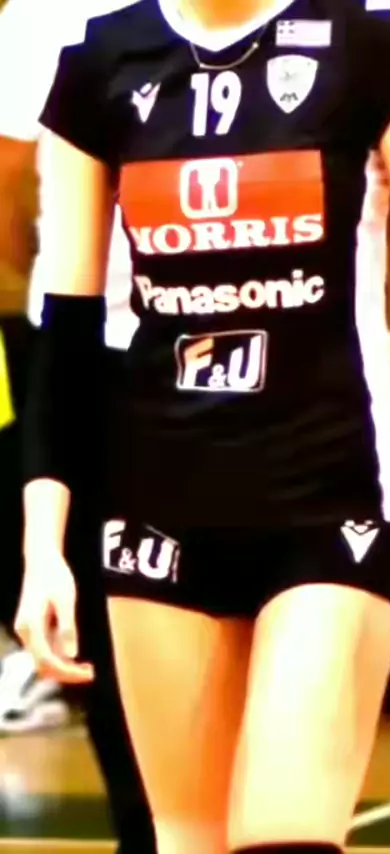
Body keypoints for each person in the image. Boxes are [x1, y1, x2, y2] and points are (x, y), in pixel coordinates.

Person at [15, 0, 390, 852]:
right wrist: (43, 546)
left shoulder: (374, 38)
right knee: (188, 839)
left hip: (331, 503)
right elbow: (64, 331)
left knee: (284, 839)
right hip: (155, 510)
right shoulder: (102, 56)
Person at [0, 0, 155, 850]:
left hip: (240, 348)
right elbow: (7, 178)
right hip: (76, 342)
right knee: (98, 616)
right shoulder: (49, 19)